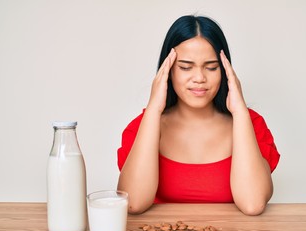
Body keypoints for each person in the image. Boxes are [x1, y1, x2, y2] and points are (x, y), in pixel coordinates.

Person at [117, 15, 280, 215]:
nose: (200, 78)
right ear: (167, 71)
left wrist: (240, 111)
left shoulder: (249, 123)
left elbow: (252, 204)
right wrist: (153, 109)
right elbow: (133, 203)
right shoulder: (143, 126)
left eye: (211, 67)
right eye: (185, 67)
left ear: (225, 69)